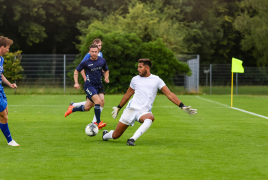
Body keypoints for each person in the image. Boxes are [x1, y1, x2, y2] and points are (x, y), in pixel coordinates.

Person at [102, 58, 197, 146]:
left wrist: (182, 106)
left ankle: (132, 139)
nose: (138, 69)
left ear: (147, 68)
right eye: (138, 67)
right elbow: (127, 95)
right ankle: (105, 135)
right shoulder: (135, 79)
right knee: (115, 135)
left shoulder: (157, 80)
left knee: (150, 118)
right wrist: (119, 107)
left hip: (143, 112)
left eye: (140, 67)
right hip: (131, 110)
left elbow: (169, 94)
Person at [65, 44, 109, 129]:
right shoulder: (85, 62)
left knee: (87, 107)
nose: (94, 53)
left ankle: (72, 109)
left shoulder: (102, 60)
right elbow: (76, 71)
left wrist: (106, 77)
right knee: (97, 100)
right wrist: (76, 82)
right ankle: (98, 122)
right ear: (89, 52)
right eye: (92, 51)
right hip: (90, 85)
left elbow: (106, 70)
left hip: (99, 85)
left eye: (95, 52)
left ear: (98, 52)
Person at [0, 36, 20, 146]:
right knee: (4, 116)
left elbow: (1, 74)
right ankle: (10, 141)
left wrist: (9, 84)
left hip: (1, 89)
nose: (8, 50)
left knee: (5, 112)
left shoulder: (1, 59)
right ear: (2, 47)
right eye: (7, 48)